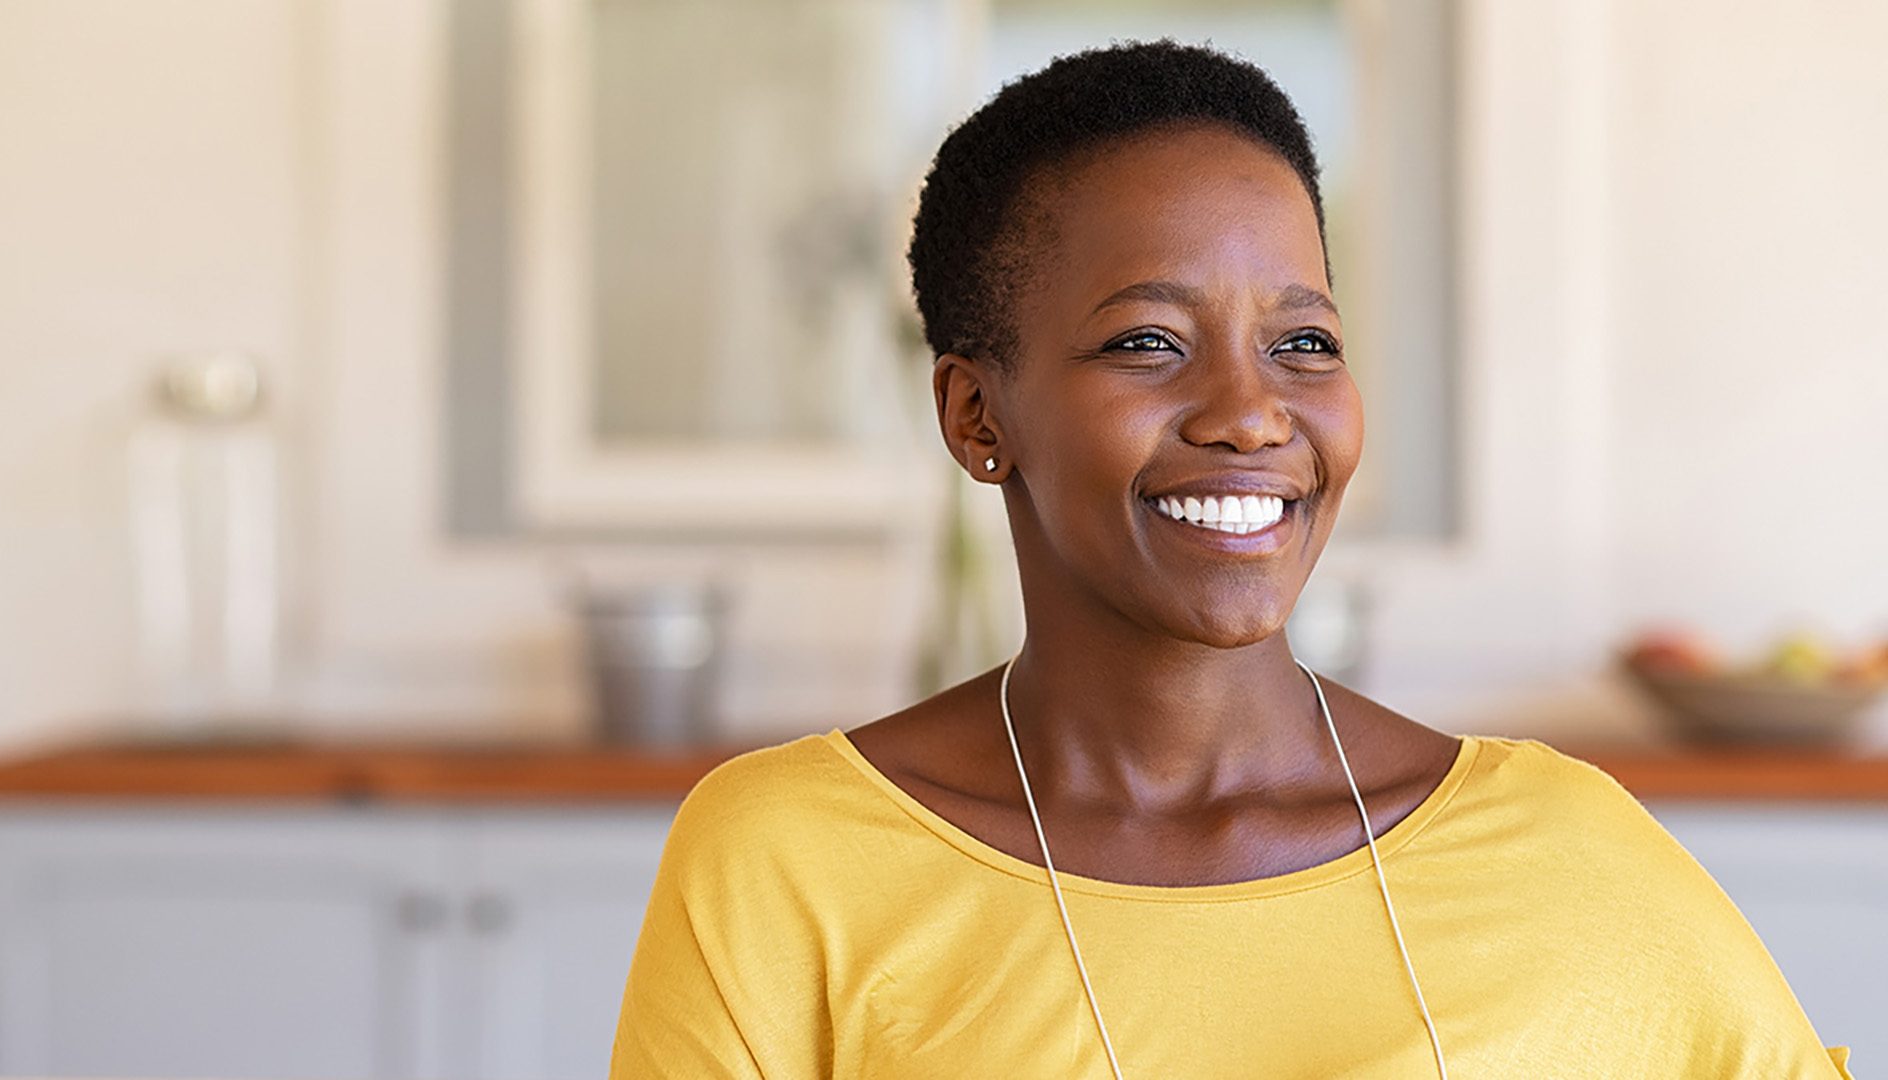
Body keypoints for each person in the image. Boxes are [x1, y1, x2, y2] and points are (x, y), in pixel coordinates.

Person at [609, 39, 1854, 1078]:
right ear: (976, 416)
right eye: (1148, 342)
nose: (1252, 413)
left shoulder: (1569, 852)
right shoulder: (788, 866)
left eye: (1304, 343)